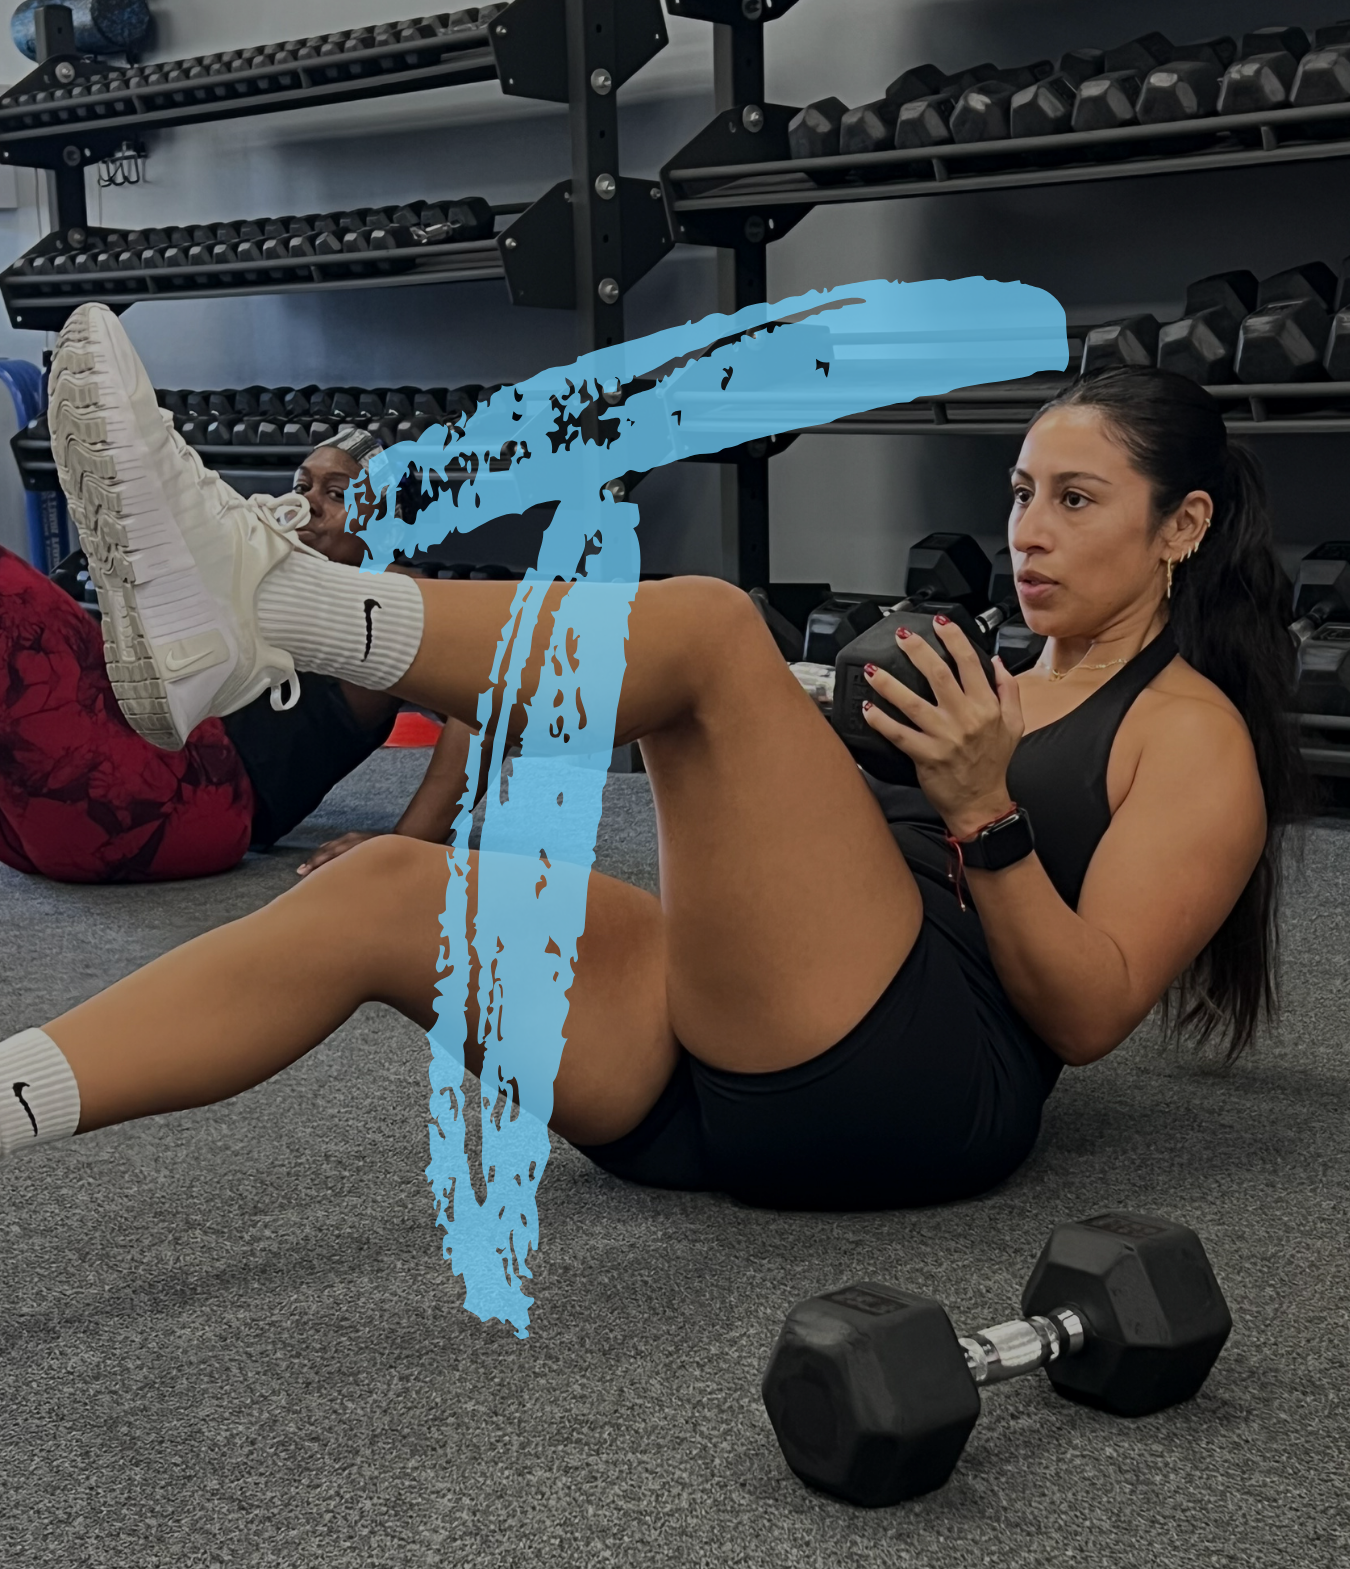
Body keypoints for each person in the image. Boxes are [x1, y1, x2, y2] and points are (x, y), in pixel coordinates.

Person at [0, 305, 1303, 1213]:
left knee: (710, 630)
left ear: (1179, 525)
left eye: (1075, 500)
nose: (1028, 528)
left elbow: (1086, 1014)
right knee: (373, 897)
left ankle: (271, 607)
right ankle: (15, 1091)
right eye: (1020, 491)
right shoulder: (1002, 678)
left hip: (918, 1075)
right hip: (734, 1045)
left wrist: (981, 813)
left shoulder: (1191, 733)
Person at [0, 424, 475, 883]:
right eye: (303, 486)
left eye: (337, 494)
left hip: (187, 800)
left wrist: (412, 841)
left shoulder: (391, 594)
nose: (307, 502)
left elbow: (488, 700)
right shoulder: (278, 580)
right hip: (84, 798)